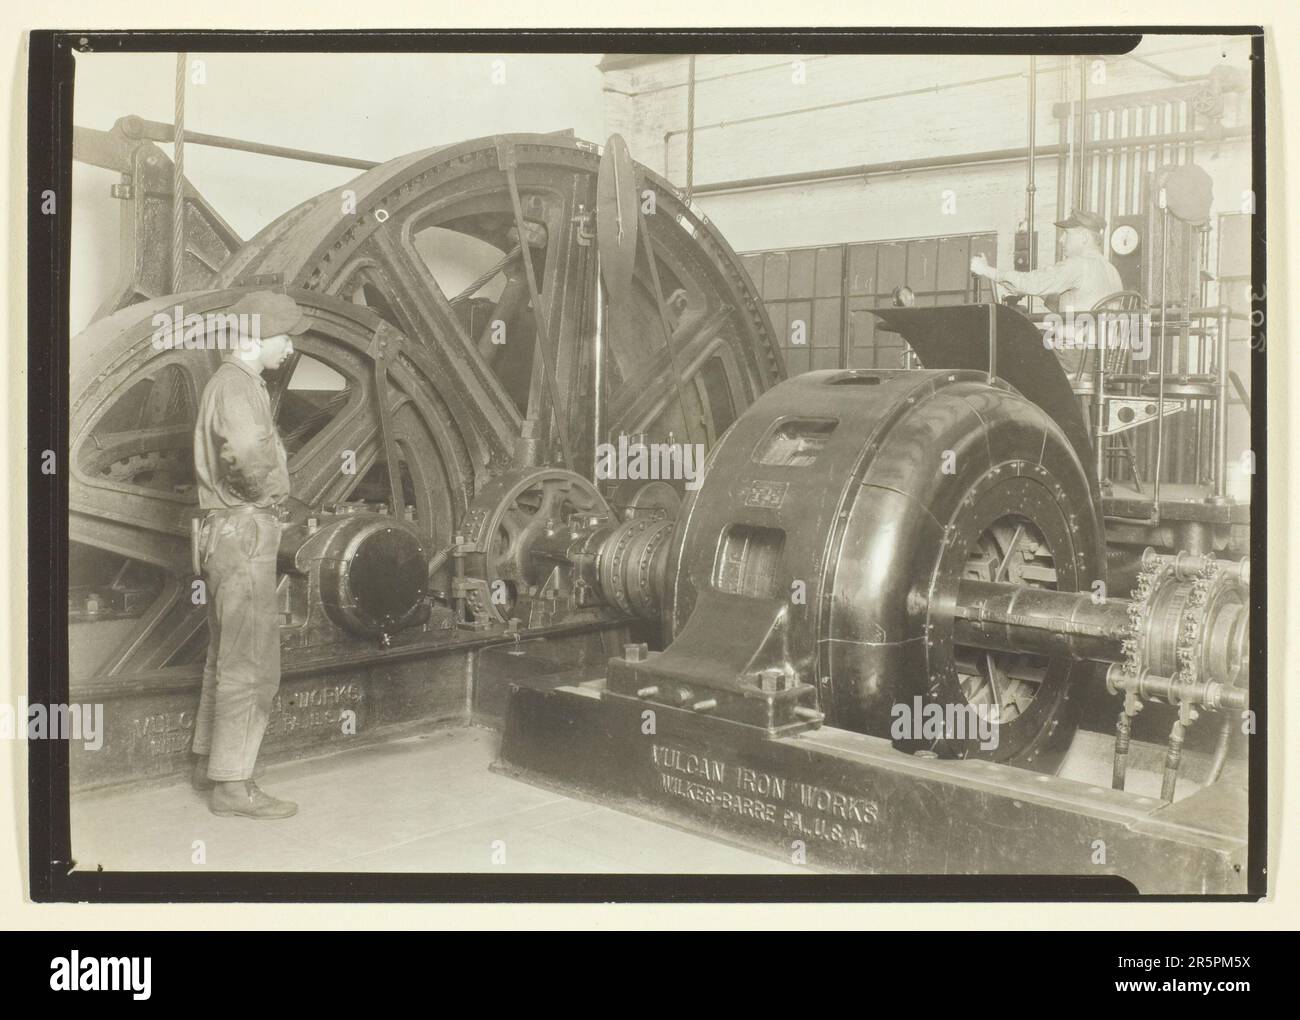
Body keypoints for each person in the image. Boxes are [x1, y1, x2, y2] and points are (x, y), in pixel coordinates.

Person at [190, 291, 309, 819]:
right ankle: (233, 786)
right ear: (256, 339)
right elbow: (244, 452)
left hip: (223, 535)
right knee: (253, 662)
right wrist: (265, 498)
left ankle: (209, 763)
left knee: (225, 656)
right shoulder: (237, 387)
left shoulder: (232, 383)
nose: (289, 348)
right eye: (285, 338)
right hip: (244, 533)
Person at [969, 209, 1124, 376]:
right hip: (1103, 359)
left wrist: (985, 270)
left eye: (1066, 234)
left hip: (1075, 358)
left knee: (1009, 351)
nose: (1061, 240)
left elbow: (1033, 282)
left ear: (1084, 237)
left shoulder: (1078, 264)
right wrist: (1039, 293)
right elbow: (1082, 306)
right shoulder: (1111, 270)